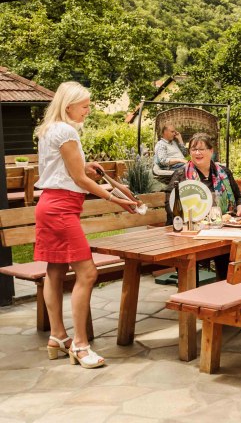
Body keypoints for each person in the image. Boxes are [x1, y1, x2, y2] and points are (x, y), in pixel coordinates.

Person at [34, 82, 137, 369]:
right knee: (88, 273)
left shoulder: (49, 130)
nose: (88, 111)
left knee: (55, 271)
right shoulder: (66, 131)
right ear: (68, 106)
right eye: (85, 106)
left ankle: (57, 336)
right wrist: (115, 198)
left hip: (49, 205)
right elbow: (79, 179)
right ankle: (80, 345)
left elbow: (66, 170)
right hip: (61, 209)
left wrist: (86, 168)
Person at [167, 133, 241, 278]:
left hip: (222, 229)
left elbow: (238, 196)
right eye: (193, 149)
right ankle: (190, 290)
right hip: (190, 232)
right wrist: (188, 220)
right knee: (189, 263)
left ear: (211, 151)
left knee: (228, 258)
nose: (197, 153)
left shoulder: (224, 172)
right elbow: (170, 203)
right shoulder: (181, 174)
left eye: (201, 149)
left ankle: (225, 288)